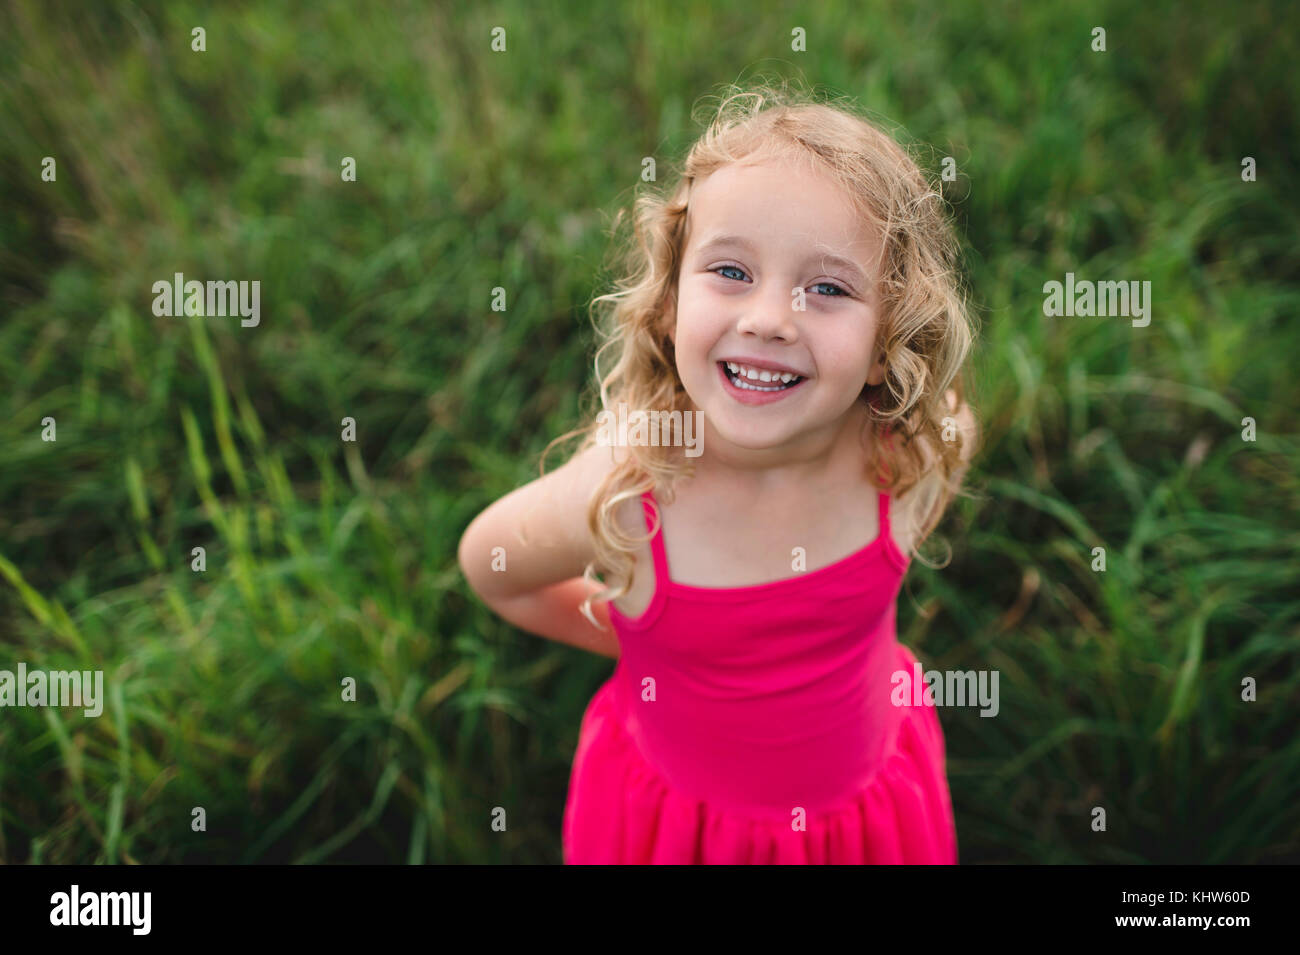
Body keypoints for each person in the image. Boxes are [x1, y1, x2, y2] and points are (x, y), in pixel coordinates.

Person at [459, 82, 979, 864]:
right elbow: (491, 564)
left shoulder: (902, 457)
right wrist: (640, 642)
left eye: (828, 288)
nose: (769, 317)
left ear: (888, 345)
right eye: (731, 271)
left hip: (865, 817)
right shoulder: (631, 492)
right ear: (670, 301)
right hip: (681, 829)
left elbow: (959, 430)